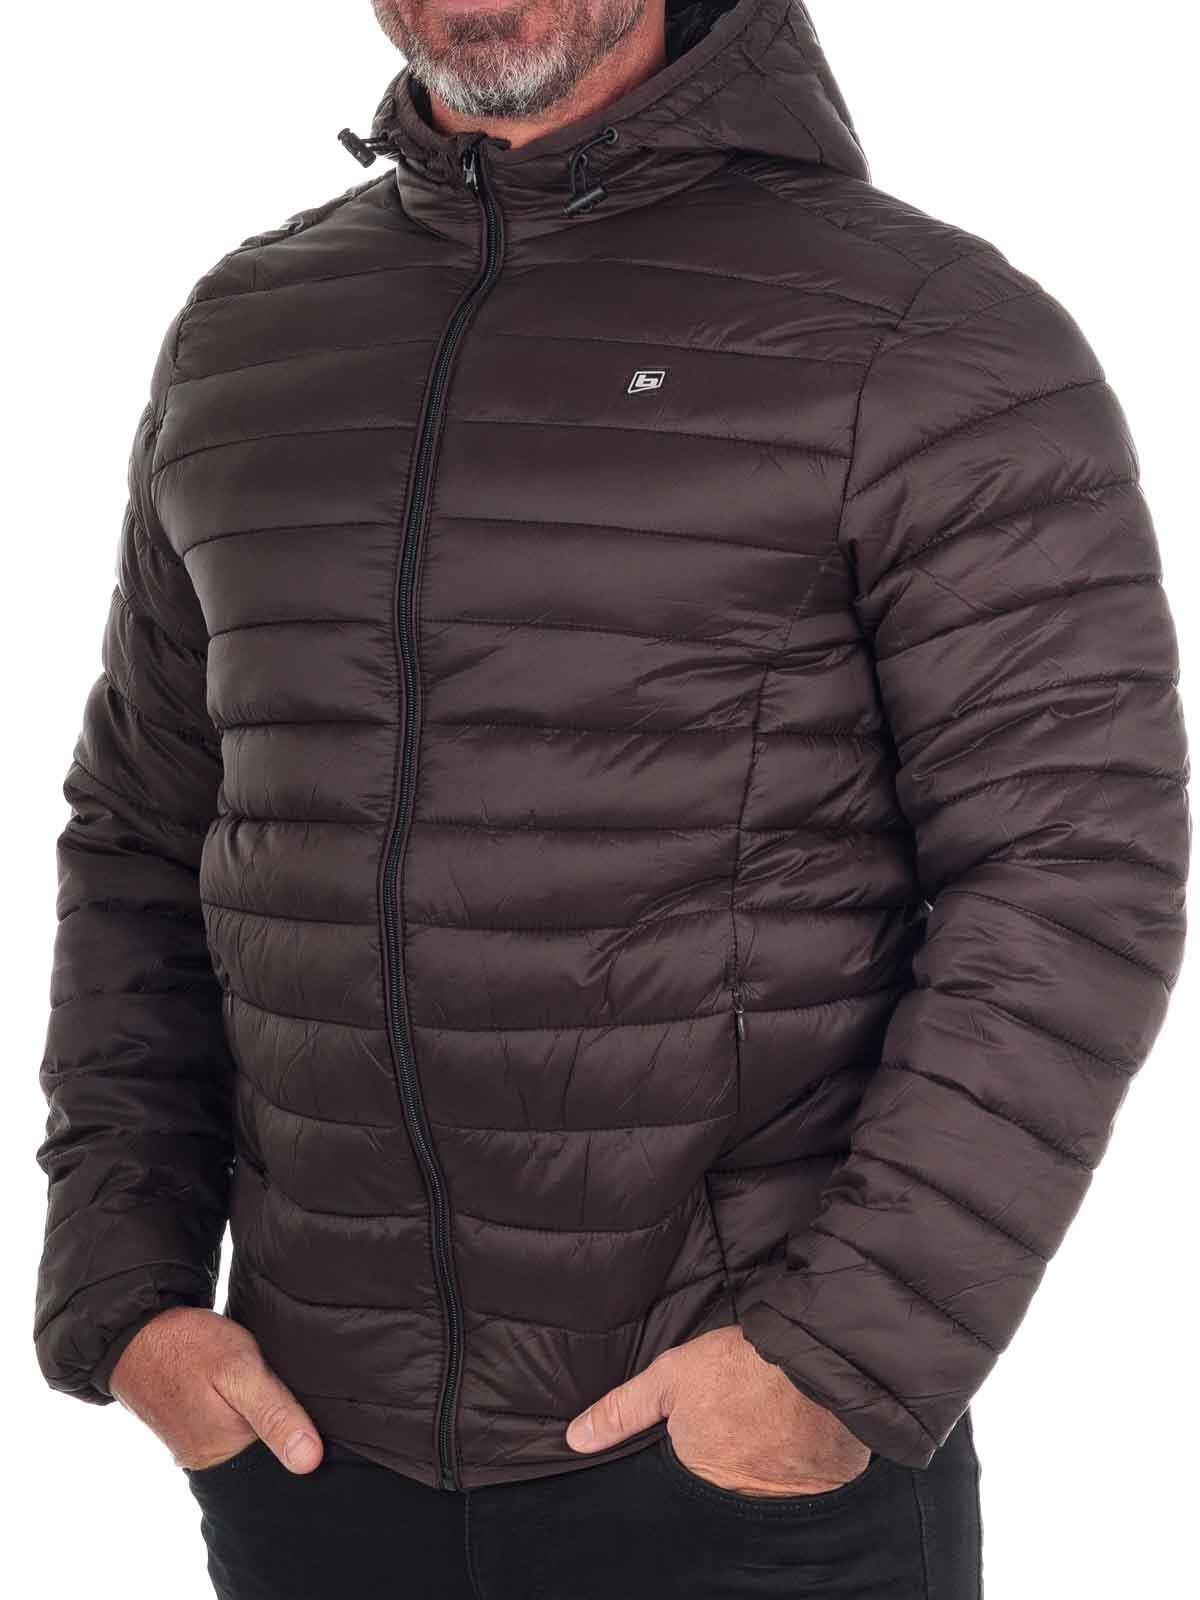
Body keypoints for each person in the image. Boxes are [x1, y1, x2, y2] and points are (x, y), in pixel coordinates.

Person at [34, 1, 1188, 1595]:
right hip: (308, 1460)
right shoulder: (249, 333)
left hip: (741, 1469)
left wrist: (835, 1360)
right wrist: (126, 1286)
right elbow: (142, 833)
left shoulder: (923, 334)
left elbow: (1075, 865)